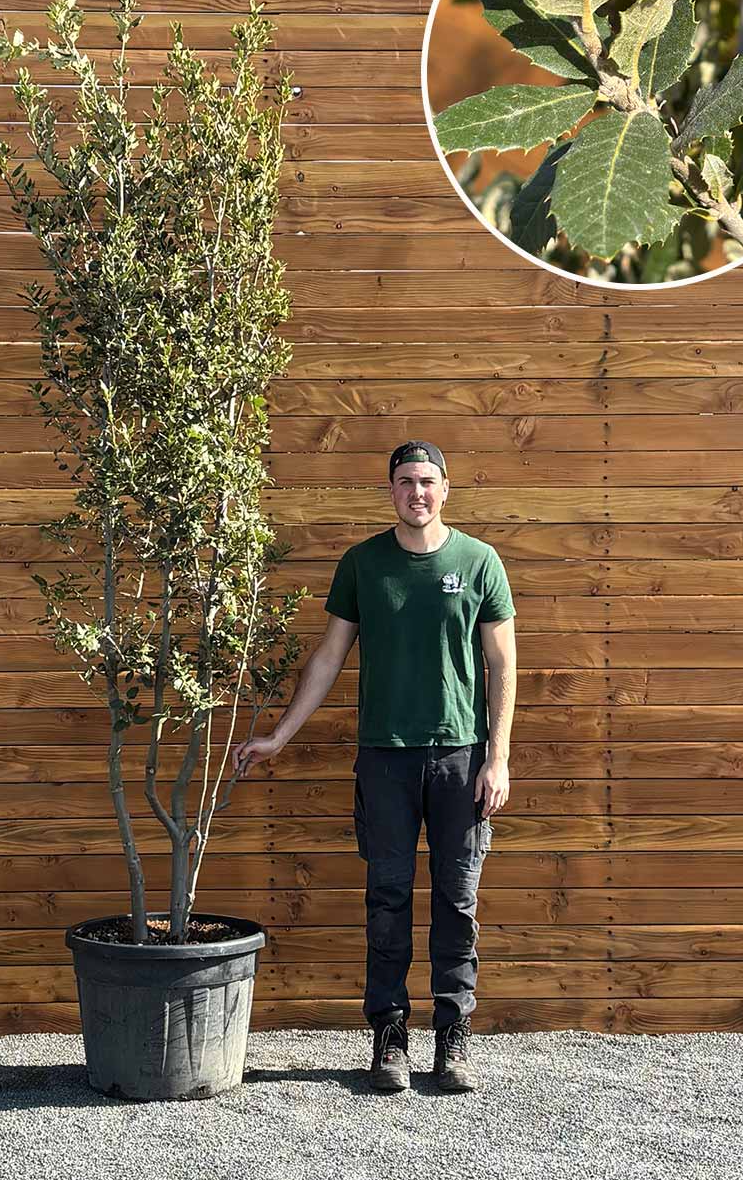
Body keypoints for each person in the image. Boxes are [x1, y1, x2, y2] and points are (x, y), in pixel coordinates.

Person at [232, 439, 517, 1094]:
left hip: (460, 759)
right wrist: (280, 735)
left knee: (457, 901)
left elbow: (503, 665)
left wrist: (498, 758)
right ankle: (389, 1035)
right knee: (387, 899)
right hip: (385, 760)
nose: (417, 492)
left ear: (445, 489)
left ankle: (453, 1037)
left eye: (427, 481)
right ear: (391, 490)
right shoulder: (363, 564)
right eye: (405, 481)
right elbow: (329, 658)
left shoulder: (479, 562)